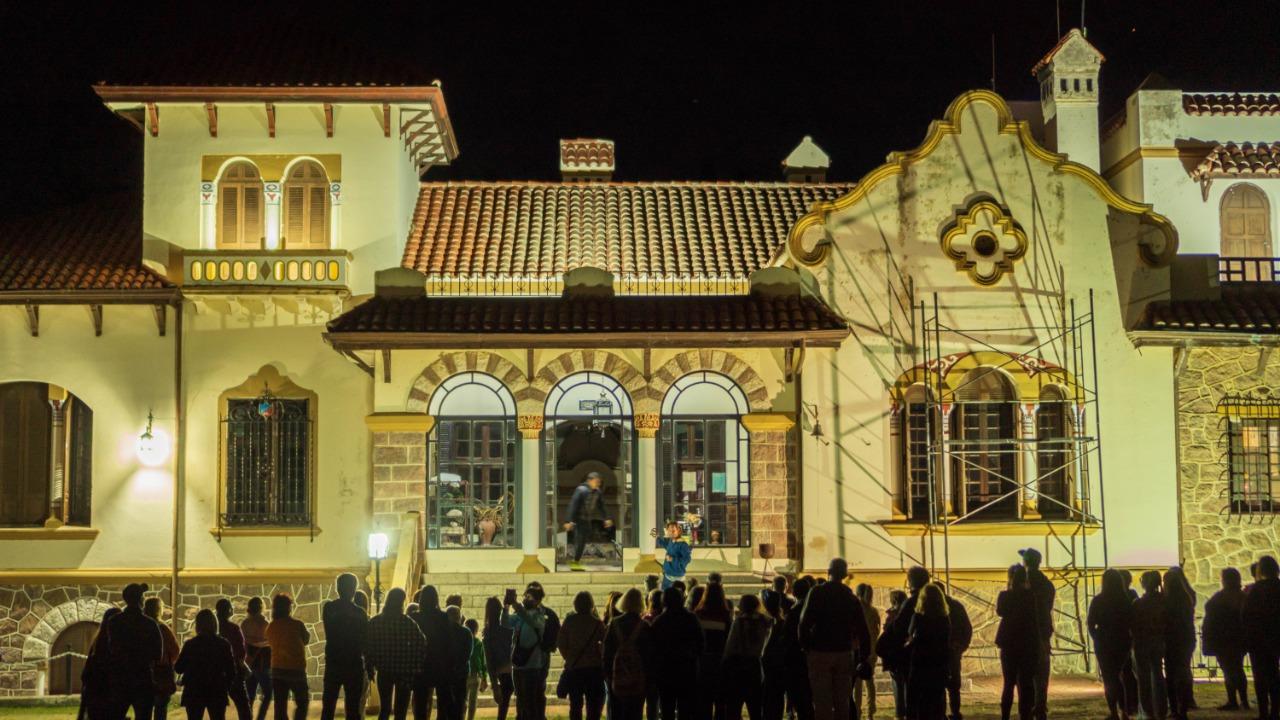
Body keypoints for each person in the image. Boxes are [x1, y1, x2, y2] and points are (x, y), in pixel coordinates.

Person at [799, 558, 870, 720]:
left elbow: (804, 623)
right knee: (842, 701)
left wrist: (806, 646)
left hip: (819, 651)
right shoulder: (850, 597)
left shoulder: (816, 593)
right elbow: (862, 629)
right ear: (844, 575)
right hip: (844, 652)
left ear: (828, 572)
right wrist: (863, 656)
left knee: (822, 701)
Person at [365, 587, 427, 720]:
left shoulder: (376, 622)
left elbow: (368, 646)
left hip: (384, 669)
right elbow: (421, 643)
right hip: (404, 670)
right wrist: (415, 664)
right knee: (400, 710)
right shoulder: (407, 622)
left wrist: (370, 666)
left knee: (385, 709)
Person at [505, 582, 559, 720]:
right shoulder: (520, 614)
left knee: (531, 700)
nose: (526, 599)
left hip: (533, 664)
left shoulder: (540, 616)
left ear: (538, 600)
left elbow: (530, 621)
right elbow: (505, 623)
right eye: (525, 596)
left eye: (529, 597)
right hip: (518, 663)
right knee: (521, 699)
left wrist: (516, 605)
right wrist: (505, 606)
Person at [175, 609, 239, 720]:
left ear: (198, 625)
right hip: (217, 690)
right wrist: (226, 685)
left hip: (194, 691)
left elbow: (178, 668)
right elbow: (231, 671)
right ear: (215, 624)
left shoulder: (190, 644)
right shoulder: (223, 644)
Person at [322, 573, 370, 720]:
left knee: (328, 706)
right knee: (353, 708)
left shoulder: (329, 608)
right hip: (354, 663)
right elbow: (364, 640)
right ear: (354, 589)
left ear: (338, 588)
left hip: (334, 661)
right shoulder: (360, 613)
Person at [650, 586, 702, 720]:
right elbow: (701, 643)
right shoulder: (691, 619)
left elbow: (653, 648)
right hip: (687, 670)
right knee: (685, 709)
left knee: (667, 709)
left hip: (665, 672)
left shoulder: (659, 621)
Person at [1088, 569, 1133, 720]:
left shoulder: (1098, 600)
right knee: (1117, 676)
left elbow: (1090, 623)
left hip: (1104, 642)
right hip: (1122, 642)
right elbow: (1130, 623)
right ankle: (1124, 710)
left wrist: (1096, 637)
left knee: (1109, 677)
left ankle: (1114, 711)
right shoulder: (1125, 600)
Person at [1203, 567, 1249, 712]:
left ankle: (1233, 700)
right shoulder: (1242, 597)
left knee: (1229, 670)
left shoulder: (1221, 598)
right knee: (1238, 669)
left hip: (1223, 640)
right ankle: (1244, 700)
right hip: (1239, 639)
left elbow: (1211, 614)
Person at [995, 566, 1039, 720]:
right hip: (1027, 642)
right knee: (1026, 682)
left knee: (1008, 683)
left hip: (1008, 642)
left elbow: (1000, 612)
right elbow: (1034, 618)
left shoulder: (1005, 596)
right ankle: (1025, 715)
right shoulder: (1030, 596)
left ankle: (1005, 716)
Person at [604, 589, 653, 720]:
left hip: (617, 675)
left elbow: (607, 652)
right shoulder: (644, 626)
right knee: (635, 711)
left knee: (616, 711)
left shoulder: (614, 624)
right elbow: (649, 655)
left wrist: (608, 674)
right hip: (638, 677)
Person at [1018, 549, 1055, 720]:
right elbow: (1047, 608)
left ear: (1026, 562)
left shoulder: (1022, 583)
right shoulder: (1047, 584)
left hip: (1025, 634)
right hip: (1043, 633)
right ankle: (1040, 707)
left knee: (1025, 674)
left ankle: (1028, 708)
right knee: (1041, 674)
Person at [558, 591, 607, 720]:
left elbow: (561, 643)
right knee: (593, 705)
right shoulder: (597, 623)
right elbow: (605, 644)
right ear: (591, 604)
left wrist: (568, 657)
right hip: (594, 669)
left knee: (575, 705)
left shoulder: (569, 621)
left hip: (575, 668)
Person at [1243, 555, 1280, 720]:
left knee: (1261, 676)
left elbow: (1246, 615)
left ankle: (1264, 711)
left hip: (1259, 639)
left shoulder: (1256, 590)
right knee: (1274, 675)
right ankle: (1275, 710)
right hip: (1276, 636)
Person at [722, 594, 771, 720]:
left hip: (738, 665)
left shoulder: (739, 621)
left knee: (734, 707)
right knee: (755, 708)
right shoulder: (766, 621)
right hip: (755, 664)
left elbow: (730, 646)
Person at [906, 584, 951, 720]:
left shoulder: (918, 617)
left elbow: (910, 635)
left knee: (917, 701)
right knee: (936, 700)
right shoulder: (944, 619)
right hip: (939, 663)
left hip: (920, 664)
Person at [266, 593, 311, 720]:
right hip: (296, 670)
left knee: (280, 707)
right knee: (302, 702)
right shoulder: (297, 624)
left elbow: (270, 642)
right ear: (288, 607)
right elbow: (306, 639)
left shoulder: (271, 627)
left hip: (277, 670)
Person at [1130, 570, 1168, 720]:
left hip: (1142, 642)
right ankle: (1161, 709)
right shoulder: (1164, 601)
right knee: (1158, 674)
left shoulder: (1139, 604)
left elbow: (1133, 624)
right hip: (1158, 641)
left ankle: (1147, 711)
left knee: (1143, 678)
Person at [931, 583, 971, 720]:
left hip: (938, 652)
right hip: (953, 651)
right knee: (954, 685)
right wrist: (961, 646)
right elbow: (967, 628)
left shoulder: (930, 608)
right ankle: (955, 713)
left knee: (938, 685)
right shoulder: (956, 606)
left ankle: (941, 714)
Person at [410, 586, 450, 720]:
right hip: (440, 663)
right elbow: (446, 641)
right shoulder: (443, 617)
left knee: (420, 703)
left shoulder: (414, 617)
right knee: (443, 704)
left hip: (420, 663)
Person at [695, 580, 732, 720]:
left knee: (704, 701)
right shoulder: (725, 615)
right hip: (720, 660)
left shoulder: (698, 614)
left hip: (703, 661)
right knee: (720, 701)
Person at [1163, 567, 1196, 720]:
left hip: (1172, 640)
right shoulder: (1187, 598)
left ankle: (1175, 708)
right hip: (1186, 639)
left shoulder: (1167, 600)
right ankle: (1183, 707)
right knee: (1183, 672)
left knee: (1171, 675)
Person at [565, 472, 614, 571]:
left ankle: (576, 561)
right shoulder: (581, 490)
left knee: (582, 540)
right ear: (590, 480)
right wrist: (569, 521)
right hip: (578, 519)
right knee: (579, 540)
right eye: (596, 482)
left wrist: (607, 518)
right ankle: (574, 561)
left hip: (587, 519)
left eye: (599, 482)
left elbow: (602, 506)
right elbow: (573, 505)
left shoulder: (597, 492)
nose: (598, 484)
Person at [782, 578, 816, 720]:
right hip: (809, 658)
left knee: (801, 700)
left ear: (795, 592)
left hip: (796, 660)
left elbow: (788, 637)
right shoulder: (812, 609)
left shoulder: (795, 611)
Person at [79, 606, 121, 720]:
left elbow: (88, 670)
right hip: (107, 689)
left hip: (95, 688)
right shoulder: (113, 642)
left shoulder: (98, 641)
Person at [214, 599, 252, 720]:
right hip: (234, 672)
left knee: (218, 709)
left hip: (215, 673)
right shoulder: (233, 628)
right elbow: (241, 651)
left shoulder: (212, 629)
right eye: (231, 607)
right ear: (228, 610)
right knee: (243, 707)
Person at [145, 596, 181, 720]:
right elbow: (175, 650)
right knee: (160, 708)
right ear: (158, 610)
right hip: (162, 672)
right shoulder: (163, 628)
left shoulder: (141, 627)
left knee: (144, 708)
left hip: (143, 671)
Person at [482, 598, 515, 720]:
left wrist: (495, 685)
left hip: (500, 670)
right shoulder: (507, 628)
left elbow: (489, 661)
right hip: (513, 667)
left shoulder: (488, 632)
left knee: (503, 707)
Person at [879, 589, 909, 720]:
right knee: (907, 687)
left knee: (898, 688)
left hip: (895, 657)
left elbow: (886, 638)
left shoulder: (892, 616)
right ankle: (908, 713)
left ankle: (900, 714)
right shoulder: (908, 614)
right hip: (906, 656)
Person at [242, 597, 273, 720]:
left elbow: (243, 643)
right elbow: (270, 642)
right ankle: (260, 718)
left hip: (249, 663)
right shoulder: (265, 624)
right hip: (263, 664)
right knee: (268, 693)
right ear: (262, 608)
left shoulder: (245, 624)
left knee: (250, 695)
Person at [441, 606, 474, 720]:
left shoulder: (443, 632)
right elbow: (467, 653)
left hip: (445, 673)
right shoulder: (466, 632)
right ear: (459, 617)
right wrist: (458, 666)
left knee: (444, 704)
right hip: (461, 673)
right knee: (459, 702)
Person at [760, 590, 788, 720]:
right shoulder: (782, 622)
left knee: (768, 696)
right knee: (777, 697)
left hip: (769, 664)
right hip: (780, 665)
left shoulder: (767, 622)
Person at [853, 584, 879, 720]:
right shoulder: (873, 611)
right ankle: (870, 712)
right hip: (871, 650)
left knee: (857, 684)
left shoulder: (855, 610)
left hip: (858, 650)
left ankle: (857, 712)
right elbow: (877, 630)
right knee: (870, 682)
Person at [651, 523, 692, 590]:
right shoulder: (672, 541)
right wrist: (657, 538)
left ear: (678, 531)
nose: (671, 533)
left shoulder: (683, 545)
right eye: (669, 531)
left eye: (673, 531)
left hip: (676, 578)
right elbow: (668, 547)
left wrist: (672, 559)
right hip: (667, 575)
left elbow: (687, 559)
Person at [464, 619, 487, 720]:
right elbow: (483, 662)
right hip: (475, 675)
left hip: (464, 674)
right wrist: (484, 677)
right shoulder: (479, 643)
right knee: (473, 701)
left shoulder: (463, 641)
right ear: (476, 630)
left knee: (463, 700)